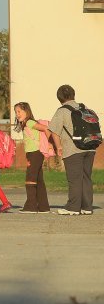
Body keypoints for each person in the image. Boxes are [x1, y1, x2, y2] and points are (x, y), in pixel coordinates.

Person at [48, 84, 96, 215]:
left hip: (73, 149)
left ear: (59, 98)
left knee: (74, 178)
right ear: (73, 95)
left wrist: (58, 147)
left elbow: (54, 131)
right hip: (90, 147)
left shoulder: (62, 111)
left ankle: (73, 208)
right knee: (86, 177)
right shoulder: (85, 108)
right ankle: (87, 207)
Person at [13, 101, 51, 214]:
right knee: (39, 179)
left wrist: (50, 143)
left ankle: (31, 206)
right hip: (34, 153)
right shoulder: (26, 123)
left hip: (34, 153)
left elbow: (45, 128)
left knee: (30, 178)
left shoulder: (29, 122)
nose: (17, 114)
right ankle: (44, 207)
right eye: (16, 112)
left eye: (19, 111)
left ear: (27, 111)